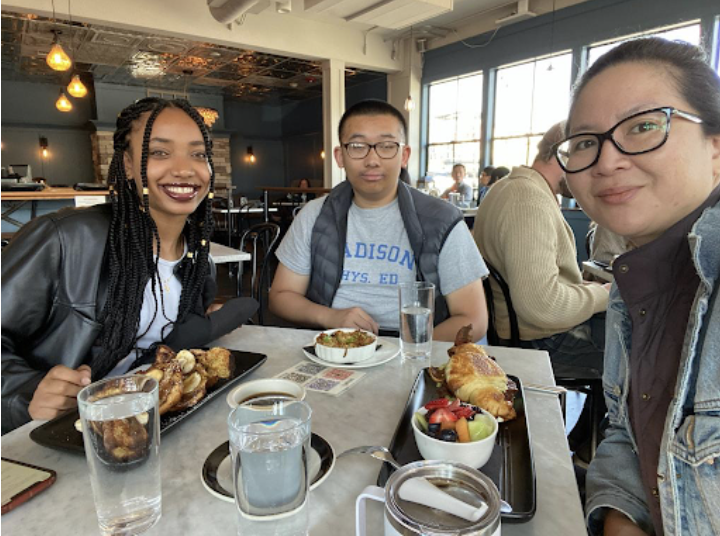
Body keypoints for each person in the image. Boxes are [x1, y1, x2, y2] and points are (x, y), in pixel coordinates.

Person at [1, 97, 255, 434]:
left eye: (198, 154)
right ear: (128, 164)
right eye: (159, 152)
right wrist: (28, 392)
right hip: (60, 438)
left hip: (145, 433)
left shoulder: (200, 266)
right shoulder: (66, 240)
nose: (184, 168)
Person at [557, 37, 720, 536]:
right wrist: (620, 514)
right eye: (586, 142)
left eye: (644, 126)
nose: (607, 162)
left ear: (716, 148)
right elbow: (628, 432)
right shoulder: (634, 282)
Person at [269, 99, 488, 341]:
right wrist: (330, 317)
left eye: (386, 146)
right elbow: (281, 295)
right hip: (333, 344)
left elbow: (473, 319)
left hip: (416, 351)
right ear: (340, 156)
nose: (372, 160)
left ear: (404, 155)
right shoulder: (314, 215)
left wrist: (408, 351)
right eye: (357, 146)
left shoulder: (442, 221)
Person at [473, 123, 610, 377]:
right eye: (589, 164)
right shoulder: (528, 200)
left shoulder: (504, 187)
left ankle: (582, 418)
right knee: (632, 359)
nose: (594, 175)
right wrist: (603, 294)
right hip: (541, 343)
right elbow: (541, 306)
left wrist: (584, 287)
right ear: (564, 155)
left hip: (518, 333)